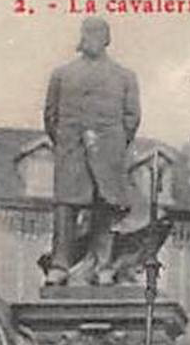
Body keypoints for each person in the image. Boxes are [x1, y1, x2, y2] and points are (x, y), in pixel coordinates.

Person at [43, 16, 141, 284]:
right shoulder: (61, 75)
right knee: (66, 205)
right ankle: (60, 263)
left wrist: (113, 144)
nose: (91, 38)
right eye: (87, 33)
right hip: (71, 149)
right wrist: (67, 141)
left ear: (107, 39)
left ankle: (103, 264)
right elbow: (50, 117)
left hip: (109, 150)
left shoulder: (125, 77)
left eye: (97, 33)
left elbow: (131, 119)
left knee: (106, 205)